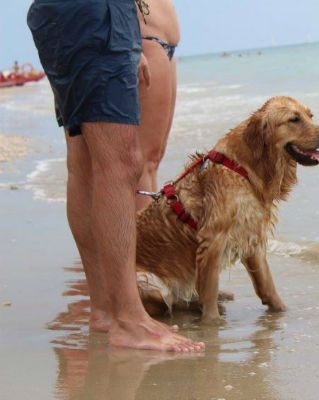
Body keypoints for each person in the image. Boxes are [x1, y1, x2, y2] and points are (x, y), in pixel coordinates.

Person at [27, 0, 204, 352]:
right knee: (121, 162)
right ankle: (128, 316)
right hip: (96, 14)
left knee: (94, 162)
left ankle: (109, 309)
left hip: (94, 18)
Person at [135, 0, 181, 211]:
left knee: (154, 158)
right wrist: (128, 43)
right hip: (144, 40)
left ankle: (147, 235)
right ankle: (142, 241)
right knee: (142, 163)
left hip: (163, 44)